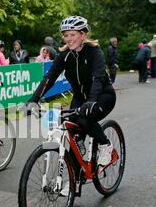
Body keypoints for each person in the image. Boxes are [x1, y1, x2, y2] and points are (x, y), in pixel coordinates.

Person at [27, 15, 116, 172]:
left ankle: (105, 145)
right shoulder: (64, 55)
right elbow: (49, 78)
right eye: (66, 35)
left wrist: (92, 100)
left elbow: (97, 79)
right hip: (80, 98)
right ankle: (76, 177)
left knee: (86, 119)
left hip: (102, 96)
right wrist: (34, 99)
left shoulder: (95, 53)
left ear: (83, 34)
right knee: (74, 137)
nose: (69, 39)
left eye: (73, 34)